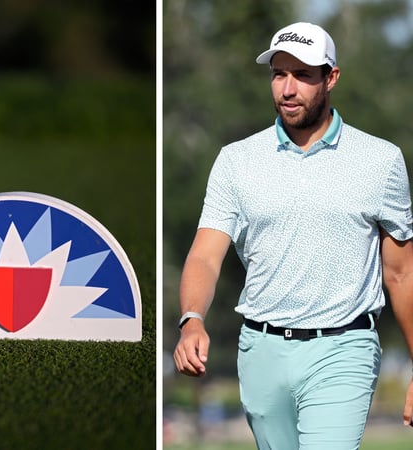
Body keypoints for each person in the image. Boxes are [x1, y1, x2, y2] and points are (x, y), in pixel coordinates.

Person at [172, 22, 413, 449]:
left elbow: (401, 274)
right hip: (261, 351)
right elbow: (206, 256)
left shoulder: (381, 161)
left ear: (331, 78)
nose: (288, 88)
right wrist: (193, 319)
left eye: (302, 75)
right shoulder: (236, 161)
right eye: (279, 74)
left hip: (345, 347)